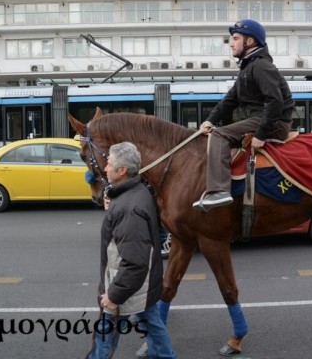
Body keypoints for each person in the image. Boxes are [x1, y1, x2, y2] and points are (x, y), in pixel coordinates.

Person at [192, 19, 295, 211]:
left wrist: (261, 134)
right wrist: (209, 120)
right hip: (259, 119)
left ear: (250, 42)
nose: (231, 43)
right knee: (215, 130)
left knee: (219, 135)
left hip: (274, 122)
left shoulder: (261, 66)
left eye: (236, 38)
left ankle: (219, 191)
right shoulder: (248, 68)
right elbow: (230, 100)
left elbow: (275, 101)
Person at [87, 142, 176, 359]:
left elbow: (135, 262)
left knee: (106, 336)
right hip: (143, 285)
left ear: (123, 170)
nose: (105, 168)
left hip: (125, 286)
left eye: (109, 164)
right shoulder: (136, 191)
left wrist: (114, 296)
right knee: (153, 325)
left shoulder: (129, 209)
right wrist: (113, 198)